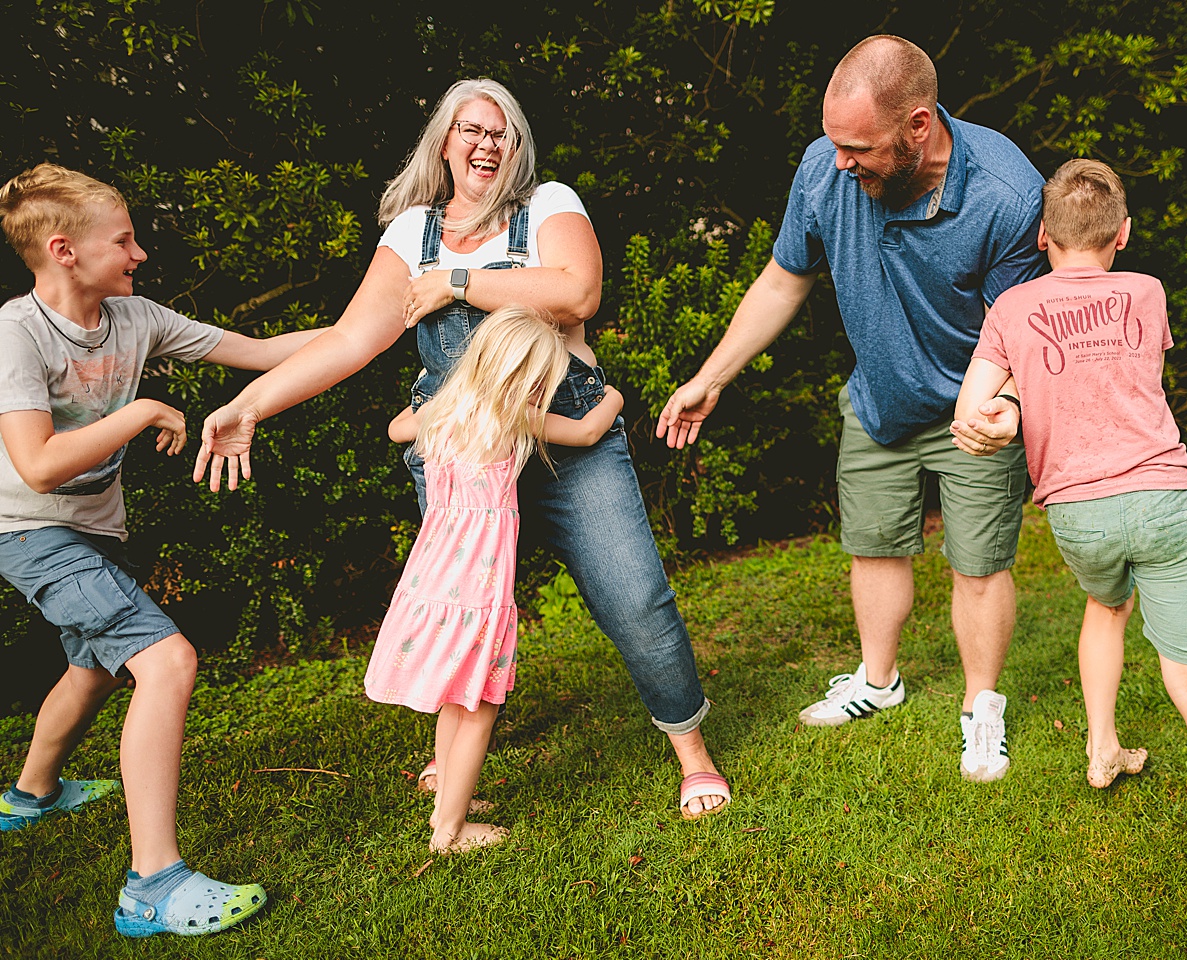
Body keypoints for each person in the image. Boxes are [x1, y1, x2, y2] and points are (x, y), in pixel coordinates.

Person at [193, 78, 731, 819]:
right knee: (464, 608)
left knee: (633, 596)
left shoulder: (547, 206)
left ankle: (691, 751)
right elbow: (352, 340)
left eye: (501, 130)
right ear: (443, 141)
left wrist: (457, 281)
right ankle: (456, 755)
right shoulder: (409, 234)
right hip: (465, 452)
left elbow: (577, 294)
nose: (486, 142)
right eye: (470, 129)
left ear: (517, 146)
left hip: (566, 438)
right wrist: (252, 402)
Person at [657, 36, 1043, 781]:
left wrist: (1012, 405)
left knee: (980, 565)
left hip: (977, 409)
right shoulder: (824, 166)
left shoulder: (1006, 193)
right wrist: (714, 377)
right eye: (835, 143)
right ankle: (877, 681)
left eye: (859, 147)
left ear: (919, 127)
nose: (840, 162)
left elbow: (1022, 328)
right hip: (878, 399)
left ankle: (982, 707)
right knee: (874, 544)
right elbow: (783, 278)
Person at [0, 164, 325, 936]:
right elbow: (38, 463)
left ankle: (29, 793)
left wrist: (384, 323)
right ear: (63, 250)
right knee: (167, 661)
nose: (140, 253)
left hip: (93, 529)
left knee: (94, 665)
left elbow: (261, 350)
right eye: (124, 240)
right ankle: (153, 883)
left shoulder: (136, 317)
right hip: (29, 531)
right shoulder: (18, 333)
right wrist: (147, 406)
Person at [951, 158, 1187, 910]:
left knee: (1106, 606)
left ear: (1041, 235)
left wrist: (999, 418)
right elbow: (1121, 375)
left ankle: (1103, 749)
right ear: (1123, 233)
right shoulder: (1147, 292)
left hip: (1077, 513)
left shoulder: (1012, 307)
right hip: (1159, 495)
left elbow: (972, 411)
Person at [368, 305, 623, 853]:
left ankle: (448, 799)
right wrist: (615, 396)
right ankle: (451, 831)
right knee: (480, 706)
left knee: (454, 698)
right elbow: (587, 430)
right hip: (477, 588)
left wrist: (432, 404)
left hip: (434, 575)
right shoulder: (512, 416)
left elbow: (395, 429)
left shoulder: (443, 412)